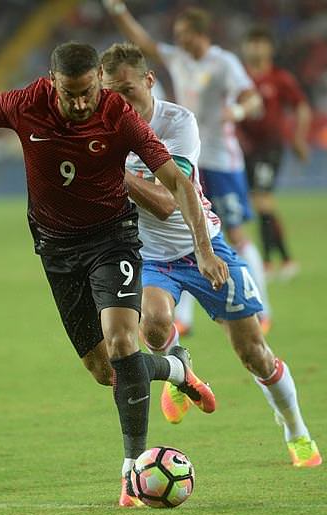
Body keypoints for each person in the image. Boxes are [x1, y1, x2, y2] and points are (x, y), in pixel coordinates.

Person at [0, 42, 229, 507]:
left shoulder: (118, 114)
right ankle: (175, 368)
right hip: (57, 249)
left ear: (98, 82)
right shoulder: (26, 103)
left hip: (113, 238)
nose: (81, 103)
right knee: (106, 372)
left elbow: (177, 183)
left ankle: (131, 470)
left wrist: (204, 249)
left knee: (123, 341)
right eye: (71, 94)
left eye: (88, 92)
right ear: (52, 83)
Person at [101, 42, 322, 470]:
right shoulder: (100, 128)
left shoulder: (177, 122)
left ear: (149, 81)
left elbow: (168, 200)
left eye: (127, 91)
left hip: (203, 245)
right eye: (111, 93)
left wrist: (114, 171)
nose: (119, 102)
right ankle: (180, 370)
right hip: (150, 256)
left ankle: (296, 429)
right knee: (154, 324)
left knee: (254, 352)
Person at [103, 1, 271, 335]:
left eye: (184, 34)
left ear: (201, 34)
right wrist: (119, 10)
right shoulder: (177, 58)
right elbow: (144, 43)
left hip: (219, 159)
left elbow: (252, 98)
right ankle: (184, 317)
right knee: (182, 230)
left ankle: (262, 307)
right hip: (174, 155)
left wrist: (237, 113)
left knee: (234, 234)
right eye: (177, 34)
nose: (179, 40)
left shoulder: (224, 63)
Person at [240, 26, 312, 279]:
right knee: (258, 202)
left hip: (269, 148)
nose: (255, 48)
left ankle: (272, 261)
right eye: (252, 43)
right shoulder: (238, 77)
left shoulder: (279, 78)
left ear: (270, 48)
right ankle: (282, 259)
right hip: (243, 149)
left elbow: (301, 106)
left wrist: (299, 137)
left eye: (260, 43)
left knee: (262, 200)